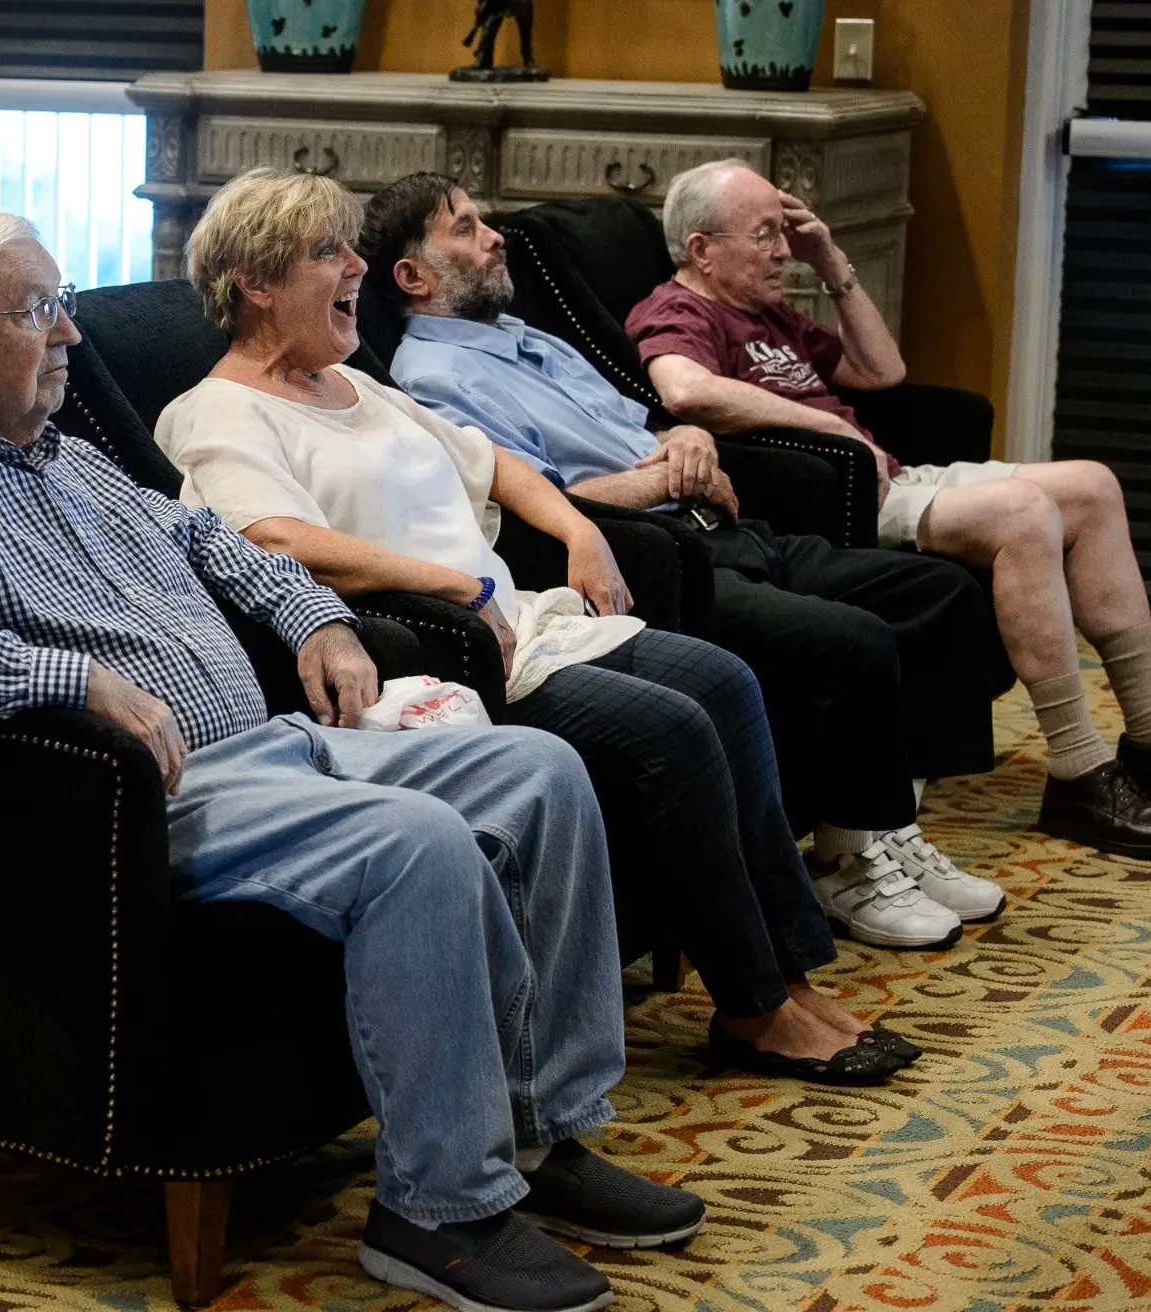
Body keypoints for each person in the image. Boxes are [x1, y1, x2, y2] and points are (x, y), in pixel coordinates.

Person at [0, 206, 706, 1312]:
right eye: (41, 314)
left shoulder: (59, 452)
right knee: (420, 848)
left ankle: (540, 1133)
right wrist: (70, 681)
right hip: (143, 806)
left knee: (539, 772)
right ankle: (439, 1211)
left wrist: (315, 617)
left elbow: (207, 536)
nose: (71, 338)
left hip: (273, 747)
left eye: (67, 307)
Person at [159, 166, 921, 1086]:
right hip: (447, 651)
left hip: (521, 620)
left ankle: (791, 975)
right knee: (673, 728)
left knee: (724, 679)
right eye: (329, 252)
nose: (358, 266)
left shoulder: (358, 386)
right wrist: (454, 586)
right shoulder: (218, 410)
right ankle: (754, 1008)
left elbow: (497, 464)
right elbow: (270, 536)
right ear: (255, 283)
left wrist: (579, 527)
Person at [363, 170, 1011, 950]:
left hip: (717, 516)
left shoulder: (527, 337)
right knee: (852, 638)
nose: (493, 235)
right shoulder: (432, 379)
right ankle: (851, 863)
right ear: (413, 276)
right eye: (464, 228)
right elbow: (527, 497)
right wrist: (657, 477)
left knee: (936, 592)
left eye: (483, 220)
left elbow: (643, 423)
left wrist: (686, 439)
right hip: (660, 547)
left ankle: (881, 826)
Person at [626, 158, 1151, 861]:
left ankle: (1145, 742)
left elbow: (881, 372)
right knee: (1025, 511)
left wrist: (829, 259)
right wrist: (834, 430)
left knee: (1092, 484)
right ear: (700, 250)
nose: (782, 250)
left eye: (784, 234)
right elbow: (685, 391)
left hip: (894, 475)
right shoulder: (678, 309)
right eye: (764, 236)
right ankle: (1078, 771)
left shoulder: (770, 313)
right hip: (828, 496)